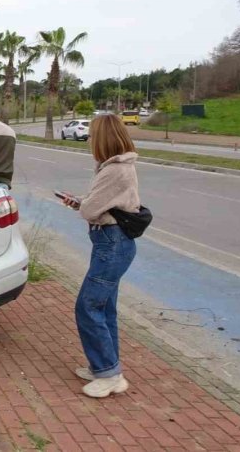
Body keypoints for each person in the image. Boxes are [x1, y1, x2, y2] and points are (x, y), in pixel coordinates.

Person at [61, 114, 139, 398]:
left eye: (92, 135)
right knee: (104, 308)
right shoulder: (114, 167)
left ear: (103, 139)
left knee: (88, 306)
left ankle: (109, 374)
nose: (89, 140)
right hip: (112, 242)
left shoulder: (114, 171)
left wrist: (83, 205)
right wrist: (81, 202)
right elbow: (100, 204)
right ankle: (104, 366)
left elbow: (91, 210)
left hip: (112, 244)